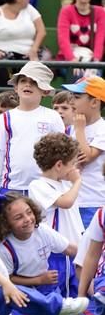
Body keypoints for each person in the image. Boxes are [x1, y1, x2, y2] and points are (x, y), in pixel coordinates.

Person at [0, 192, 86, 315]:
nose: (28, 219)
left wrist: (96, 259)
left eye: (29, 212)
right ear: (5, 224)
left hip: (46, 289)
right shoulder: (4, 248)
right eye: (18, 217)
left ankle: (58, 313)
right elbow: (7, 279)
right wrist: (38, 280)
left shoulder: (42, 231)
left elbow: (71, 249)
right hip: (20, 291)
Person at [0, 61, 64, 198]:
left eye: (34, 82)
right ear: (16, 87)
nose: (27, 84)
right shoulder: (5, 119)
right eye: (23, 81)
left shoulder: (53, 117)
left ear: (44, 90)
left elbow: (62, 155)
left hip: (45, 189)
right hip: (10, 188)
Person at [29, 133, 83, 298]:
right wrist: (78, 181)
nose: (75, 169)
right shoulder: (39, 185)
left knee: (75, 295)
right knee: (57, 297)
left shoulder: (64, 184)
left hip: (73, 250)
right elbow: (66, 202)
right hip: (57, 254)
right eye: (72, 164)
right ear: (59, 165)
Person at [61, 76, 105, 228]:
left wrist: (80, 129)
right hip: (72, 199)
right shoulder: (70, 128)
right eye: (72, 96)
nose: (72, 101)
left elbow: (85, 157)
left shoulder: (102, 128)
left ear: (94, 102)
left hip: (94, 201)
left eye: (77, 97)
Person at [57, 0, 105, 69]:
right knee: (76, 75)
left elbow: (100, 39)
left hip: (91, 59)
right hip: (68, 59)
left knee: (93, 78)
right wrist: (72, 60)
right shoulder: (66, 11)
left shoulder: (100, 12)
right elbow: (63, 40)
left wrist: (95, 60)